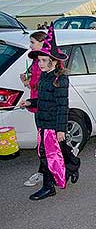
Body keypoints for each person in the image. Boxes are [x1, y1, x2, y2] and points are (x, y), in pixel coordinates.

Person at [19, 27, 80, 200]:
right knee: (56, 151)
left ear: (54, 61)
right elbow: (45, 101)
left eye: (44, 61)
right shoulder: (44, 76)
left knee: (47, 155)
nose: (40, 64)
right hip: (43, 122)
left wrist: (60, 129)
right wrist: (31, 102)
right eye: (39, 61)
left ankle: (49, 187)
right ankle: (74, 165)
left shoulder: (60, 79)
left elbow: (62, 106)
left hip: (53, 124)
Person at [21, 31, 47, 187]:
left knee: (45, 142)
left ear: (42, 43)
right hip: (36, 104)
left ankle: (45, 172)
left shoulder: (42, 62)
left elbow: (40, 83)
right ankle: (47, 170)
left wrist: (28, 82)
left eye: (32, 42)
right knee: (44, 141)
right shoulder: (36, 60)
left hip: (42, 105)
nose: (30, 45)